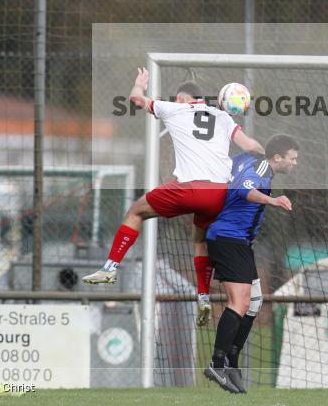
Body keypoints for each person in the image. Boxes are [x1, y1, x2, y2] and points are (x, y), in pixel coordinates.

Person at [83, 69, 263, 328]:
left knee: (135, 211)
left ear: (180, 98)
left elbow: (136, 99)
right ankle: (203, 295)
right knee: (199, 239)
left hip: (188, 189)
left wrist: (139, 84)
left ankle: (110, 268)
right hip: (219, 194)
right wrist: (267, 157)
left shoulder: (174, 108)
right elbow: (250, 146)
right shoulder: (223, 117)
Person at [202, 134, 299, 394]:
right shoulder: (261, 169)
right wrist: (272, 200)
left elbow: (236, 163)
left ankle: (231, 361)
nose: (295, 163)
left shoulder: (249, 159)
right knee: (239, 302)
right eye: (292, 158)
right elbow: (244, 190)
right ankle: (217, 364)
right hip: (228, 239)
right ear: (278, 158)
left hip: (238, 242)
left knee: (254, 302)